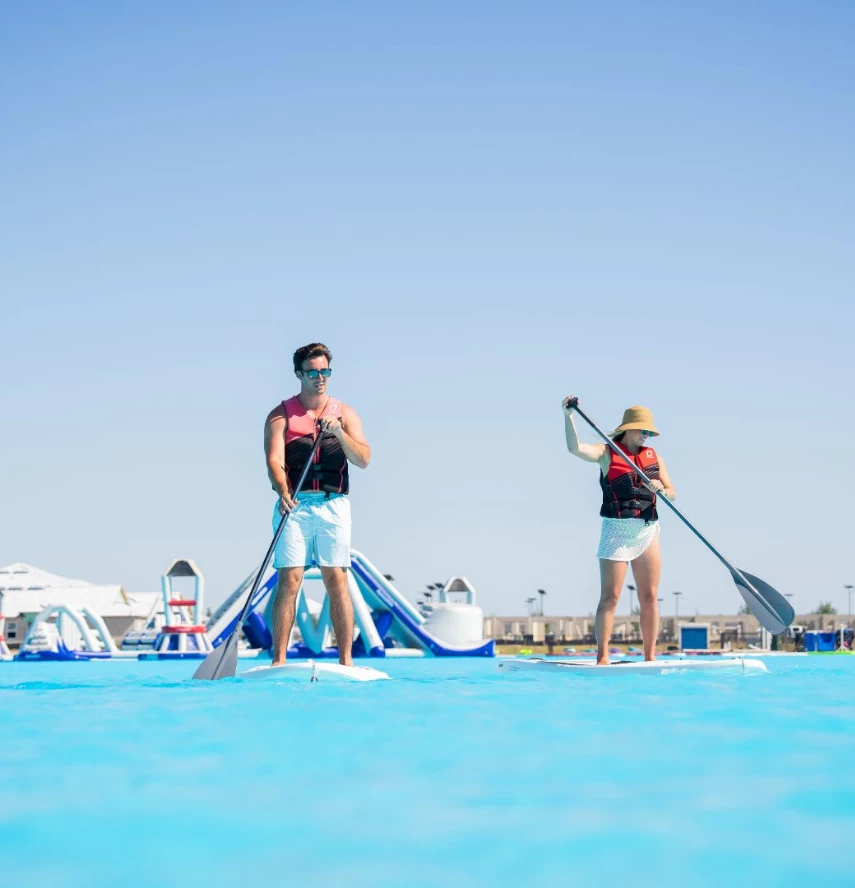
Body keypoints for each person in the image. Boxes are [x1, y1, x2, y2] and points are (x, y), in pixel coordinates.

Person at [264, 343, 371, 666]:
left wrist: (338, 432)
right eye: (313, 372)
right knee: (290, 578)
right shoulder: (281, 414)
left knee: (336, 578)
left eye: (325, 371)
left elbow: (363, 459)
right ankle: (279, 660)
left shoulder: (345, 413)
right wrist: (281, 489)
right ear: (299, 374)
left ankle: (346, 661)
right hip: (294, 506)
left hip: (333, 505)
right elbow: (273, 461)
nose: (320, 378)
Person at [561, 398, 676, 665]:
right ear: (629, 429)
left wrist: (662, 488)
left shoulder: (654, 457)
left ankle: (650, 657)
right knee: (610, 596)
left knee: (649, 595)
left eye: (649, 432)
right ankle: (602, 657)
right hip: (616, 530)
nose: (646, 436)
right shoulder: (606, 452)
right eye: (642, 431)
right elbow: (574, 448)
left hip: (646, 530)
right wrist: (568, 416)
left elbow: (672, 493)